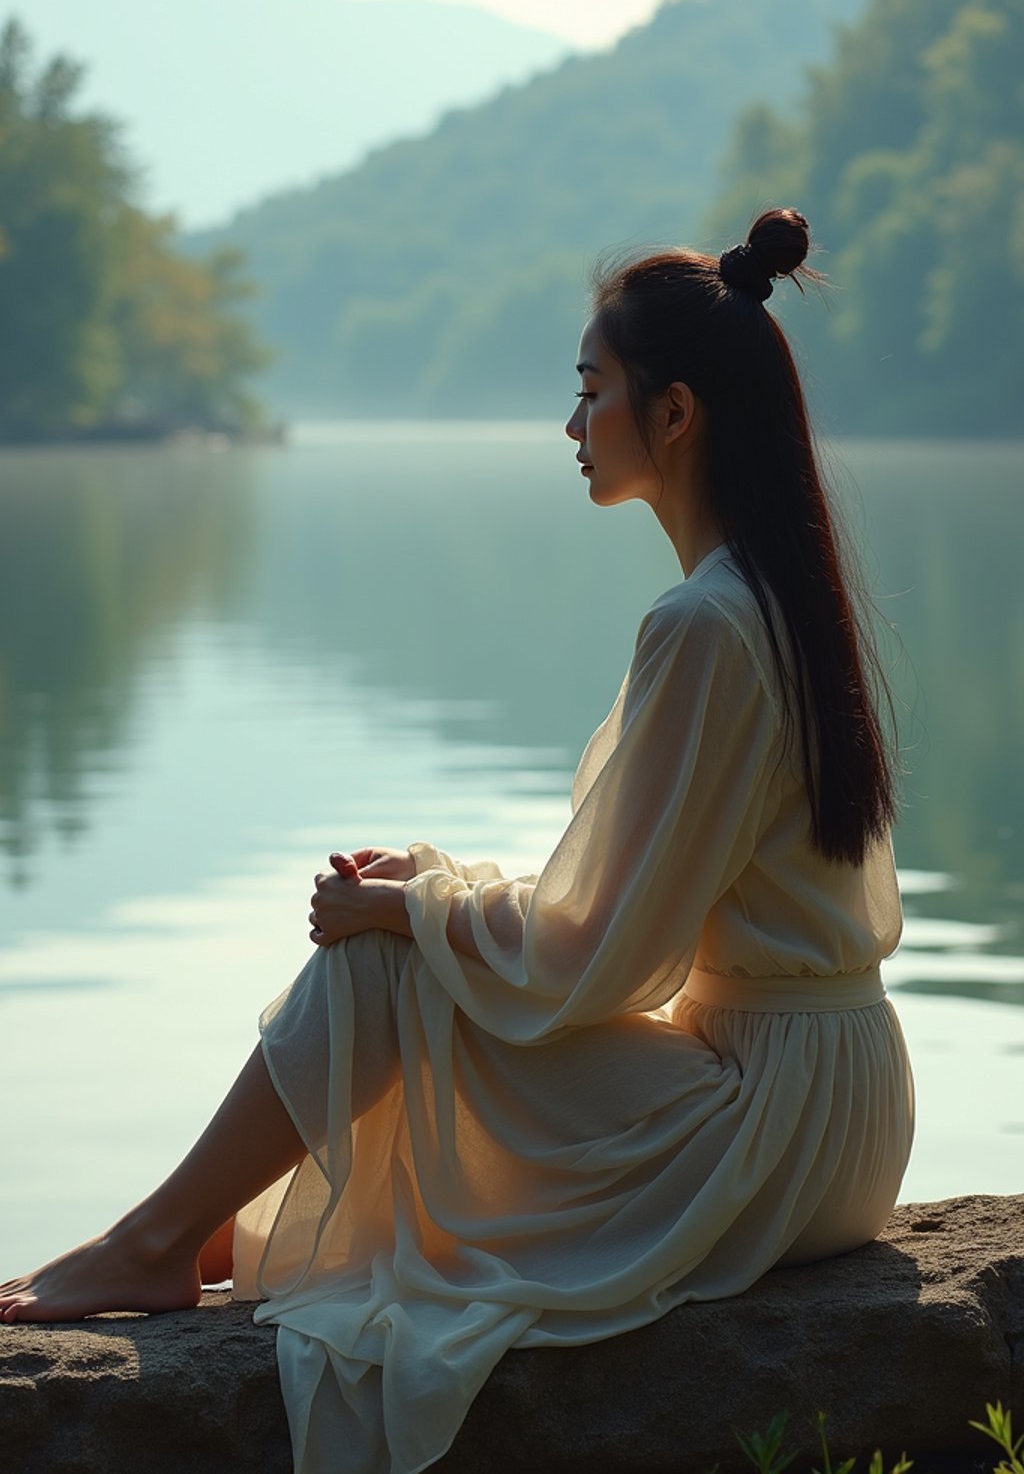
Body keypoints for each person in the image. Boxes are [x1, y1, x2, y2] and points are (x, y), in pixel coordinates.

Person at [0, 208, 914, 1474]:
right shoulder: (777, 595)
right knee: (410, 946)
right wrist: (437, 890)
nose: (569, 424)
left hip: (768, 1124)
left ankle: (157, 1244)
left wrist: (414, 912)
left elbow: (609, 960)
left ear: (675, 414)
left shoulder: (706, 626)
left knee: (385, 967)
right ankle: (202, 1242)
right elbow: (628, 914)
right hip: (852, 1102)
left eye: (590, 391)